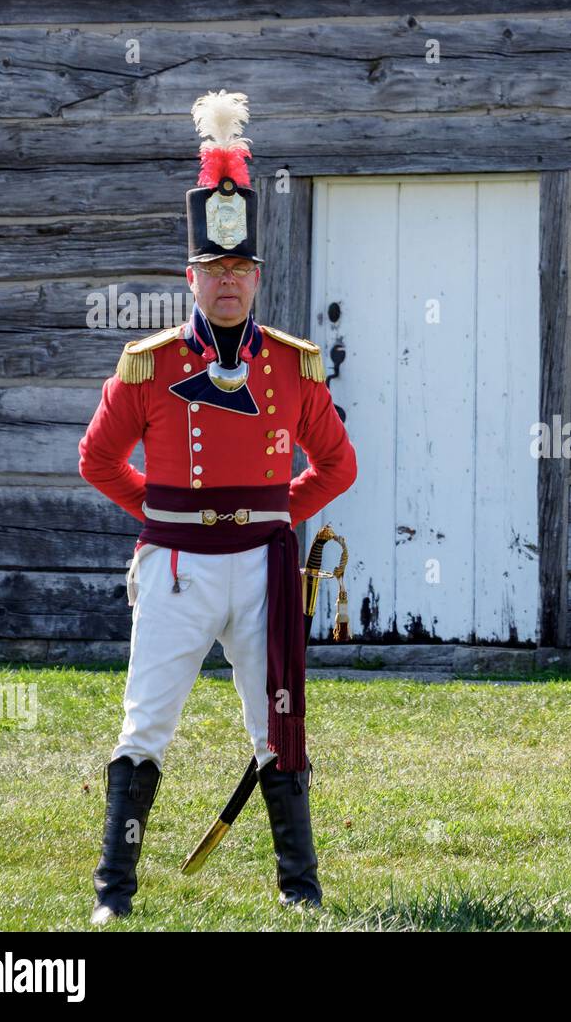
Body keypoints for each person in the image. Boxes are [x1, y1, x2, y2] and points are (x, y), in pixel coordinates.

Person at [78, 90, 357, 922]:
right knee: (145, 723)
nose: (227, 284)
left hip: (263, 569)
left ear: (257, 277)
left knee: (278, 731)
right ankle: (112, 892)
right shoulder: (150, 364)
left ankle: (299, 887)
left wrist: (276, 514)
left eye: (240, 271)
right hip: (173, 569)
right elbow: (96, 459)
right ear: (189, 277)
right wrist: (162, 514)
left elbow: (338, 464)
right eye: (213, 271)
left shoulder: (294, 367)